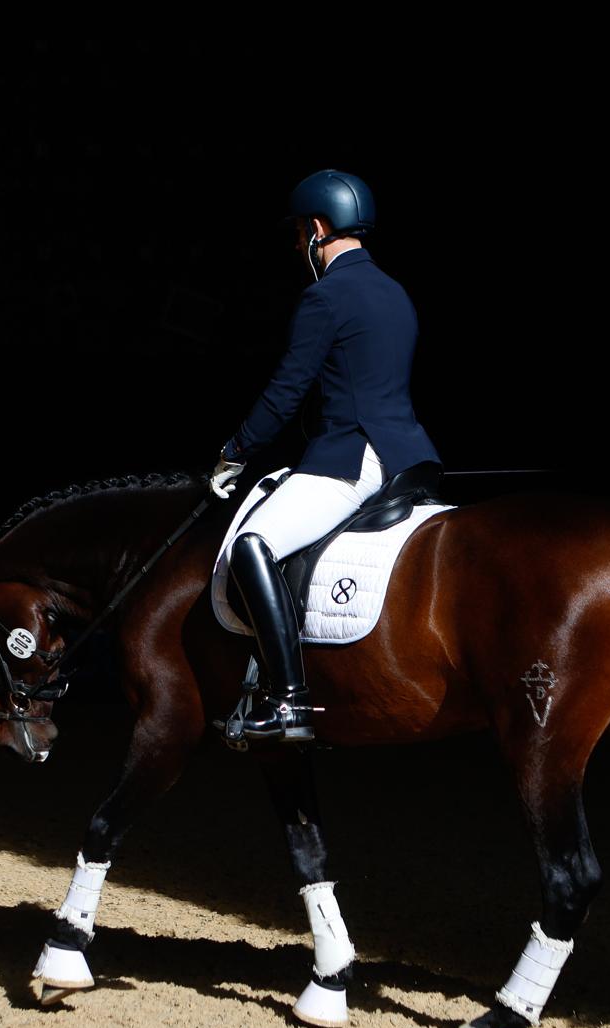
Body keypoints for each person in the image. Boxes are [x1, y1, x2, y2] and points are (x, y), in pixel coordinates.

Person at [210, 168, 442, 743]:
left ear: (317, 228)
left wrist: (235, 451)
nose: (297, 246)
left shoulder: (326, 295)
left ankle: (288, 700)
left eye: (298, 234)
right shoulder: (396, 292)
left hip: (353, 455)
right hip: (411, 455)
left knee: (251, 545)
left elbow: (287, 391)